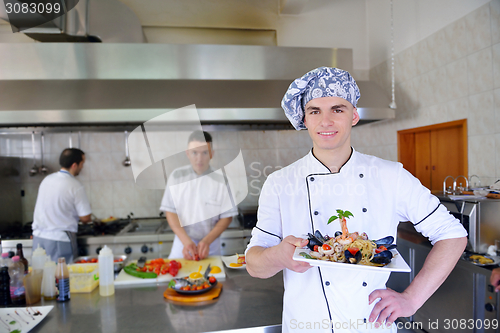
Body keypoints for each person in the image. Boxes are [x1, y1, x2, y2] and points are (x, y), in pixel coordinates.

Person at [245, 67, 468, 333]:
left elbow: (453, 235)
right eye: (315, 111)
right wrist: (278, 256)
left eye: (337, 109)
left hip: (370, 327)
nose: (325, 121)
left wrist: (412, 299)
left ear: (354, 116)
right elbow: (254, 264)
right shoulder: (280, 183)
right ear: (305, 118)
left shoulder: (390, 175)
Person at [160, 131, 237, 260]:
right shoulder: (177, 176)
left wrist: (206, 241)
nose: (199, 159)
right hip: (182, 245)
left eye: (204, 153)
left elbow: (227, 217)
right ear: (188, 153)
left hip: (210, 246)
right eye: (195, 152)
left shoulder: (223, 180)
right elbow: (170, 212)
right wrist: (186, 242)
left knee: (212, 279)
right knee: (178, 279)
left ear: (211, 154)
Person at [32, 148, 92, 263]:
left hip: (38, 239)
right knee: (63, 277)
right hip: (59, 240)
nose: (82, 167)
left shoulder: (47, 179)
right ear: (74, 165)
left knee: (41, 278)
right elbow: (85, 218)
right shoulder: (75, 185)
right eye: (82, 163)